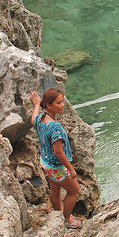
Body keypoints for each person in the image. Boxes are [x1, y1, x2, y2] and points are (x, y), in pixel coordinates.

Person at [30, 89, 80, 229]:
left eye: (62, 101)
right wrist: (71, 169)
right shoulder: (55, 127)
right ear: (49, 105)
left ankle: (58, 211)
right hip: (57, 166)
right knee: (73, 190)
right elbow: (58, 152)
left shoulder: (41, 118)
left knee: (54, 188)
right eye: (59, 103)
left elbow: (32, 119)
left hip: (46, 163)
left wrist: (36, 105)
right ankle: (67, 218)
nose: (62, 105)